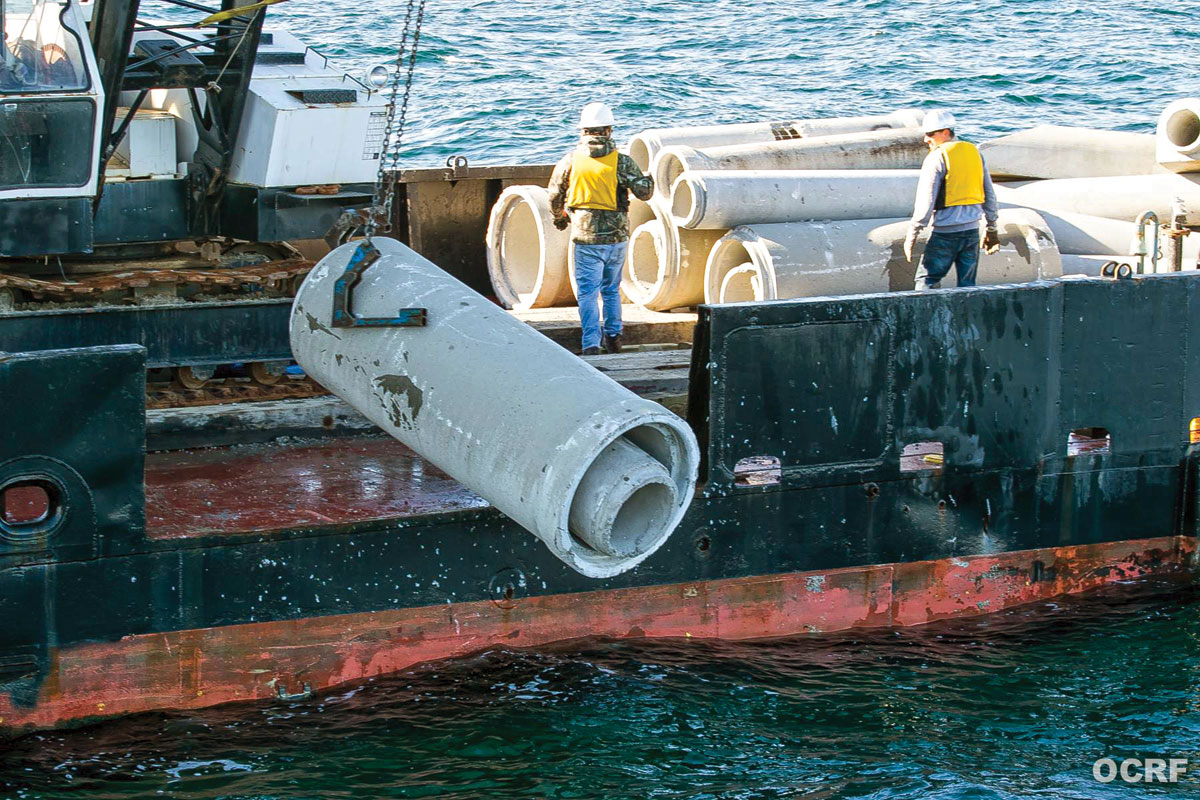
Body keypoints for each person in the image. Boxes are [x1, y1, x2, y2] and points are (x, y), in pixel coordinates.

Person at [548, 102, 653, 355]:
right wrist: (649, 178)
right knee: (611, 289)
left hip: (585, 239)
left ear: (583, 131)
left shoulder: (570, 161)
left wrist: (559, 218)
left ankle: (591, 344)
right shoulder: (622, 162)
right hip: (616, 238)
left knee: (587, 294)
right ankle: (614, 338)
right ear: (608, 130)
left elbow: (554, 195)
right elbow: (644, 193)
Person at [903, 110, 1000, 290]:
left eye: (930, 134)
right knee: (967, 285)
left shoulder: (937, 157)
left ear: (945, 132)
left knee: (926, 281)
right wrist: (992, 227)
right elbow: (989, 193)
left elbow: (926, 199)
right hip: (971, 232)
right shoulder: (975, 153)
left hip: (945, 233)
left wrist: (913, 232)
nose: (926, 139)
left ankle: (925, 309)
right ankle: (966, 309)